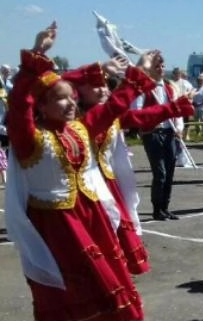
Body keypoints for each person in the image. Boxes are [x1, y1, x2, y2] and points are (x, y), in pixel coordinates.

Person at [5, 23, 145, 321]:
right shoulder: (30, 139)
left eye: (71, 98)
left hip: (88, 219)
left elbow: (112, 107)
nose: (70, 103)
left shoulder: (79, 130)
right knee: (76, 300)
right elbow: (18, 104)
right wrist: (37, 52)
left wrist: (138, 73)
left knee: (92, 300)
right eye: (60, 99)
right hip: (58, 227)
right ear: (42, 105)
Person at [66, 54, 194, 274]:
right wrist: (101, 68)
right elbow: (64, 84)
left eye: (105, 85)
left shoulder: (110, 115)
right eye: (95, 85)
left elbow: (140, 117)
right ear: (78, 91)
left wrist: (175, 107)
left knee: (117, 234)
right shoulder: (74, 122)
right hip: (83, 191)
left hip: (108, 184)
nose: (103, 89)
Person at [131, 51, 182, 220]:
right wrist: (149, 119)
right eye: (156, 66)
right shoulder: (145, 88)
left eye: (162, 66)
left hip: (169, 133)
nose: (160, 69)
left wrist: (179, 128)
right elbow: (136, 110)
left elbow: (177, 109)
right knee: (160, 172)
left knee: (170, 171)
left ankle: (165, 207)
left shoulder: (168, 88)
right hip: (152, 133)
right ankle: (157, 209)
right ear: (150, 69)